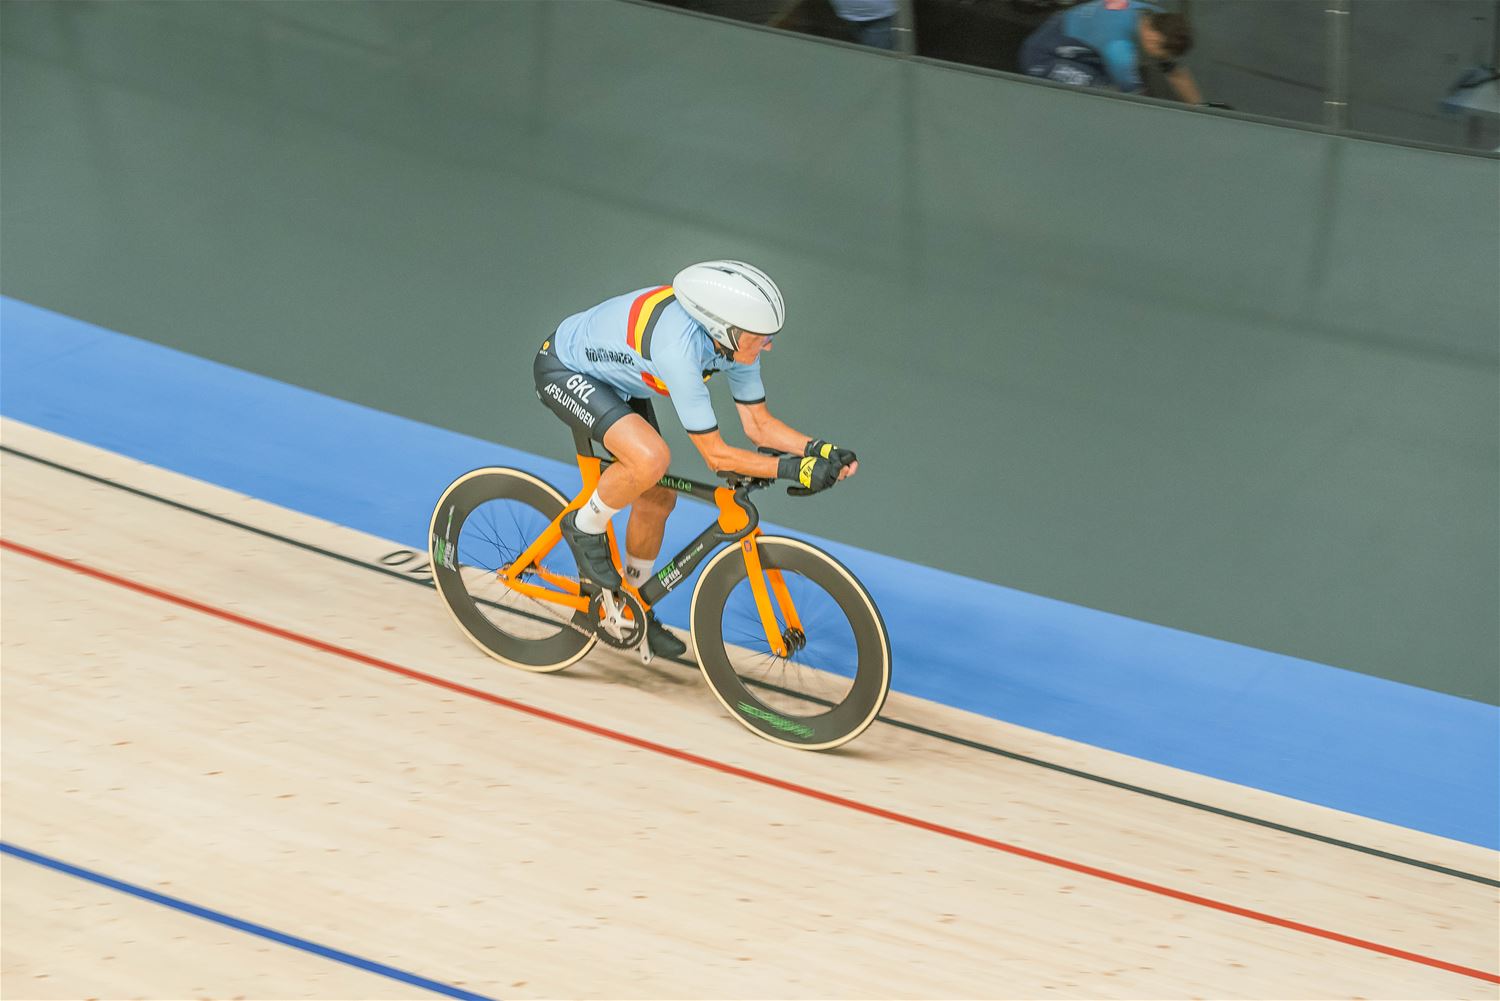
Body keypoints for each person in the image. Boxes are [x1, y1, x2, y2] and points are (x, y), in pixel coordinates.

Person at [534, 261, 859, 658]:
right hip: (566, 370)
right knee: (651, 459)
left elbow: (758, 425)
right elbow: (716, 456)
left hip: (617, 378)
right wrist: (793, 468)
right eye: (762, 337)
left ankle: (631, 606)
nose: (769, 345)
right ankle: (585, 525)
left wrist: (819, 450)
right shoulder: (678, 348)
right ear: (727, 330)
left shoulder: (734, 344)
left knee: (657, 498)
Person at [1019, 0, 1203, 104]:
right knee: (1107, 96)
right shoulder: (1119, 50)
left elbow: (1175, 73)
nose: (1164, 58)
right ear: (1153, 39)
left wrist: (1201, 108)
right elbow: (1140, 103)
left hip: (1075, 38)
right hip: (1043, 58)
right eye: (1163, 54)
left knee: (1116, 78)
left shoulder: (1156, 16)